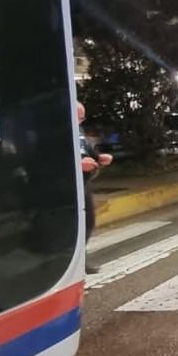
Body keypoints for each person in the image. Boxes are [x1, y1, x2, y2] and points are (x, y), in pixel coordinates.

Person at [77, 101, 113, 274]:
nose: (81, 121)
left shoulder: (79, 130)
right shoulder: (57, 132)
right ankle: (72, 264)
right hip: (66, 186)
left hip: (83, 183)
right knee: (76, 224)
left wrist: (99, 158)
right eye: (78, 116)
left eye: (82, 118)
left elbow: (86, 151)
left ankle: (78, 261)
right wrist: (77, 164)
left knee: (88, 221)